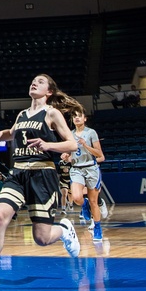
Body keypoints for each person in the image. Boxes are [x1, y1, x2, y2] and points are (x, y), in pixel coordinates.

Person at [0, 74, 81, 291]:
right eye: (33, 81)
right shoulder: (22, 114)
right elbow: (10, 134)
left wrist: (48, 145)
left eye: (40, 82)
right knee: (0, 218)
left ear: (48, 92)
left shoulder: (51, 113)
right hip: (18, 173)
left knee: (42, 238)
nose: (34, 83)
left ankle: (65, 230)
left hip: (43, 175)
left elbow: (72, 145)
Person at [63, 104, 105, 242]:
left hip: (91, 167)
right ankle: (83, 204)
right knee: (76, 197)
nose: (76, 118)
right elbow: (69, 153)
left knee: (94, 201)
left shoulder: (91, 133)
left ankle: (97, 227)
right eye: (74, 116)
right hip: (76, 168)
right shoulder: (69, 134)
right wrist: (65, 156)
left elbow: (99, 153)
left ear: (85, 118)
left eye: (79, 116)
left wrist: (86, 145)